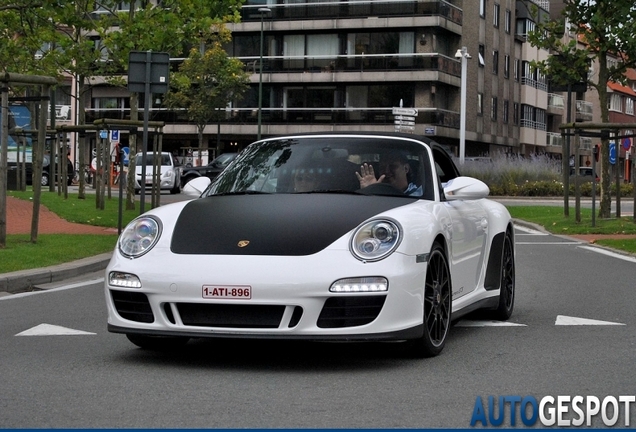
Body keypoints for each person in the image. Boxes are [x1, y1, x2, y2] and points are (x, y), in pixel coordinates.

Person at [356, 152, 423, 196]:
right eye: (382, 167)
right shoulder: (378, 194)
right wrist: (370, 190)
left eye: (392, 166)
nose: (386, 171)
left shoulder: (420, 194)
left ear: (406, 169)